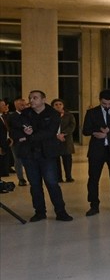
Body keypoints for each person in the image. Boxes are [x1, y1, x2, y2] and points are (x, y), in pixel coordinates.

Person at [15, 90, 74, 221]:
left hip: (47, 155)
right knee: (35, 185)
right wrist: (25, 135)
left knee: (52, 183)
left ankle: (61, 212)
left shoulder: (53, 114)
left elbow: (49, 132)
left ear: (43, 99)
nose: (31, 100)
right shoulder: (25, 113)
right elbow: (17, 128)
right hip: (29, 155)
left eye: (35, 98)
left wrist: (30, 136)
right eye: (30, 98)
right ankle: (40, 212)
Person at [52, 98, 75, 182]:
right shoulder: (51, 115)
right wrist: (56, 135)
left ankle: (68, 176)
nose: (58, 106)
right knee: (56, 160)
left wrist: (63, 133)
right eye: (56, 104)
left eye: (60, 104)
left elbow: (72, 126)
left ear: (63, 105)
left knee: (67, 159)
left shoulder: (69, 115)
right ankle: (59, 177)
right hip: (55, 139)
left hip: (66, 139)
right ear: (53, 106)